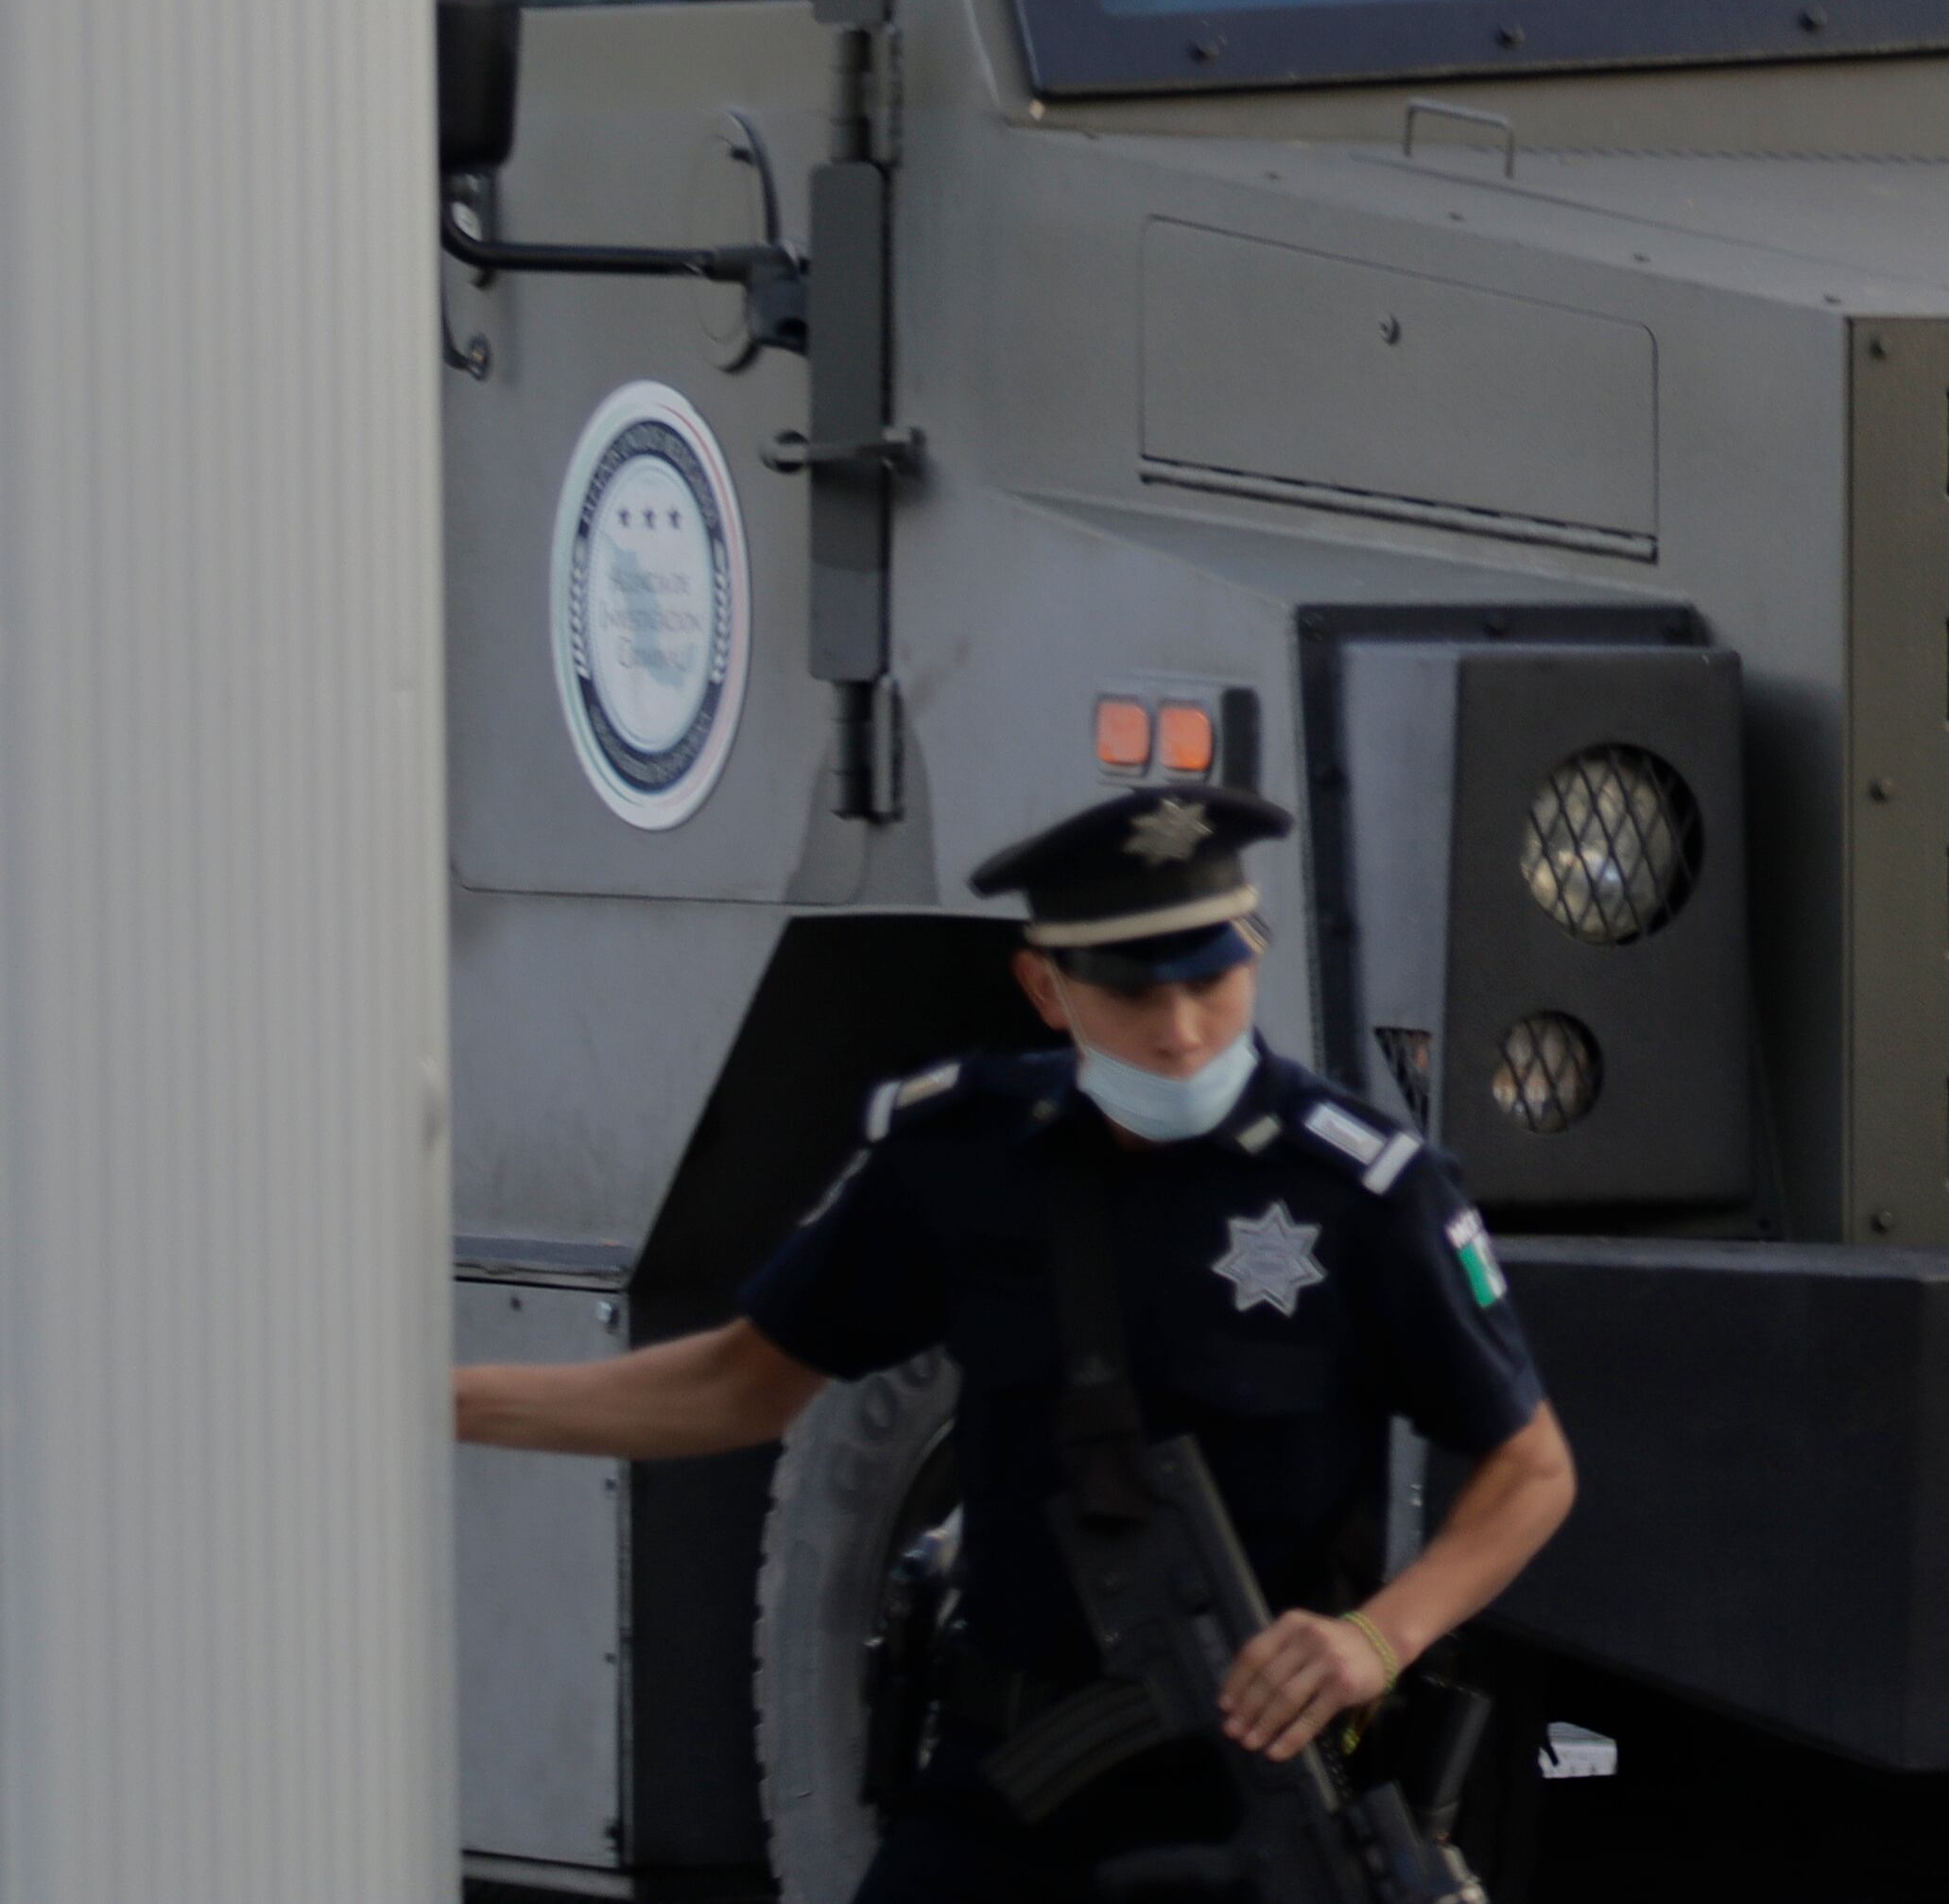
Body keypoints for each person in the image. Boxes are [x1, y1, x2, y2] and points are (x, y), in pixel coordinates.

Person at [457, 780, 1578, 1898]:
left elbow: (1530, 1470)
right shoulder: (964, 1156)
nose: (1183, 1029)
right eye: (1135, 989)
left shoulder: (1363, 1192)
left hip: (1259, 1793)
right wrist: (441, 1399)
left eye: (1211, 977)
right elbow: (735, 1387)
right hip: (1006, 1784)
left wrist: (1379, 1641)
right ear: (1046, 986)